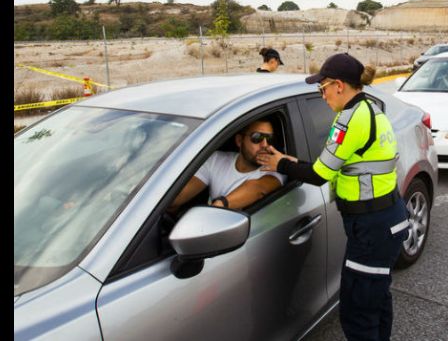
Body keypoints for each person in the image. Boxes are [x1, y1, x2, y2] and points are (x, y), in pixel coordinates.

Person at [257, 53, 409, 341]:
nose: (322, 95)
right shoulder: (369, 108)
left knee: (358, 311)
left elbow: (319, 175)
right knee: (375, 299)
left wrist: (281, 165)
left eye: (322, 87)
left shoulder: (350, 119)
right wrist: (290, 161)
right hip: (384, 221)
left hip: (372, 229)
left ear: (339, 85)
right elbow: (337, 163)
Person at [168, 118, 285, 212]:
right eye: (257, 137)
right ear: (239, 141)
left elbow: (259, 188)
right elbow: (177, 198)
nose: (265, 145)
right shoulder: (216, 160)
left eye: (269, 139)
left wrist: (220, 205)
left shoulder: (277, 168)